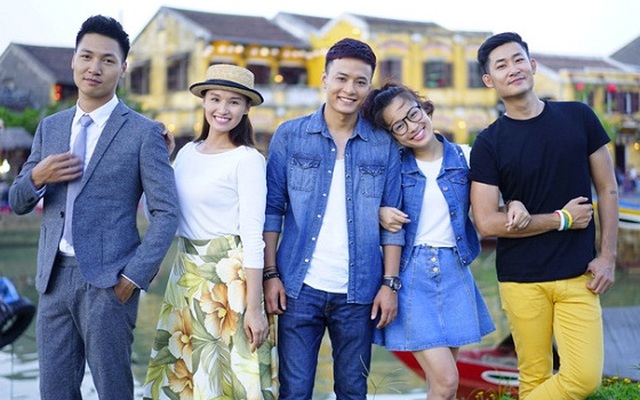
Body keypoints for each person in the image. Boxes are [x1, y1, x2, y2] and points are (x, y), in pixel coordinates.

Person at [8, 15, 179, 400]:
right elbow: (17, 201)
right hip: (52, 280)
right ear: (73, 60)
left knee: (113, 391)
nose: (94, 67)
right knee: (54, 392)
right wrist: (38, 176)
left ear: (123, 68)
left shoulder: (144, 132)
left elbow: (166, 213)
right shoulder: (50, 127)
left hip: (110, 284)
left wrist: (132, 278)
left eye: (107, 60)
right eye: (86, 56)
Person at [470, 32, 619, 399]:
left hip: (580, 274)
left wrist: (608, 256)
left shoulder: (578, 116)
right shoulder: (488, 143)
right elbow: (486, 222)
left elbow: (608, 189)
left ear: (532, 65)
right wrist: (561, 219)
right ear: (489, 80)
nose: (513, 69)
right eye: (501, 65)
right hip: (521, 280)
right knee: (534, 378)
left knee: (583, 379)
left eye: (518, 59)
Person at [262, 38, 404, 399]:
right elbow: (272, 211)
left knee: (353, 391)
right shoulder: (290, 136)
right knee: (294, 391)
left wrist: (389, 285)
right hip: (297, 288)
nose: (349, 89)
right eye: (341, 78)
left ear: (369, 87)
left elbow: (394, 225)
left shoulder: (383, 144)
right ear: (324, 79)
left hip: (360, 291)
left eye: (360, 81)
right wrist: (270, 275)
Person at [361, 82, 509, 399]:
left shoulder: (467, 158)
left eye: (413, 114)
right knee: (447, 381)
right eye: (398, 126)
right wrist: (377, 211)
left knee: (442, 386)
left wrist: (517, 203)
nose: (412, 127)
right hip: (411, 276)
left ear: (425, 109)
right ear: (392, 135)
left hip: (455, 272)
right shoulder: (393, 168)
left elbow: (497, 199)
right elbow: (354, 203)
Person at [142, 64, 278, 399]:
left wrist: (254, 308)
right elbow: (162, 213)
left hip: (229, 283)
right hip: (186, 276)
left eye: (234, 101)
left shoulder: (247, 160)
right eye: (215, 99)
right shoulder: (187, 153)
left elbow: (253, 237)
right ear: (203, 101)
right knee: (188, 381)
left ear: (246, 109)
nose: (223, 109)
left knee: (228, 381)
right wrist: (162, 160)